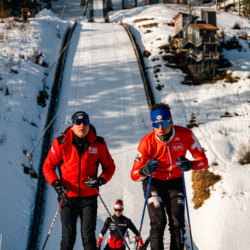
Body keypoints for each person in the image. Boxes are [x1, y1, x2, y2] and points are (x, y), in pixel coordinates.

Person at [131, 103, 208, 250]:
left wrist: (190, 165)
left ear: (171, 122)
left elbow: (203, 161)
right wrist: (144, 170)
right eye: (156, 124)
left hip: (175, 182)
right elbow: (134, 175)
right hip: (153, 183)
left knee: (177, 224)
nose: (160, 128)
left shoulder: (185, 135)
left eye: (164, 123)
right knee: (158, 222)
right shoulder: (146, 143)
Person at [43, 111, 116, 250]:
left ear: (89, 125)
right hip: (67, 196)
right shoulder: (60, 143)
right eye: (78, 122)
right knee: (68, 236)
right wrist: (57, 185)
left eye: (85, 122)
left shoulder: (99, 143)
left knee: (88, 236)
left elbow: (110, 166)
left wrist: (100, 180)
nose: (82, 125)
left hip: (89, 197)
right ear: (72, 125)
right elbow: (48, 167)